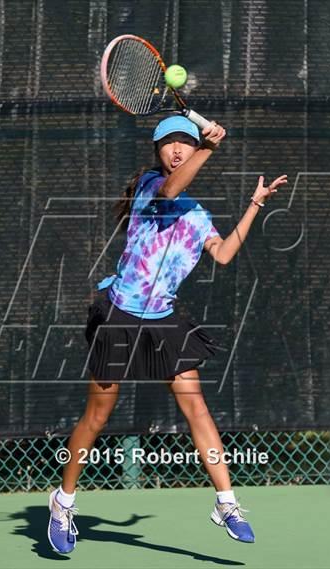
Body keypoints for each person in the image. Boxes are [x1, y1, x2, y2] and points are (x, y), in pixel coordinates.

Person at [47, 115, 288, 554]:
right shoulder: (151, 189)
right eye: (168, 144)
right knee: (97, 417)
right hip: (120, 314)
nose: (177, 150)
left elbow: (225, 254)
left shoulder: (197, 215)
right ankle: (63, 502)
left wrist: (255, 204)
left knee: (197, 409)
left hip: (163, 319)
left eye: (185, 143)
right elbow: (172, 188)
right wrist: (208, 148)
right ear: (157, 152)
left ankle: (227, 503)